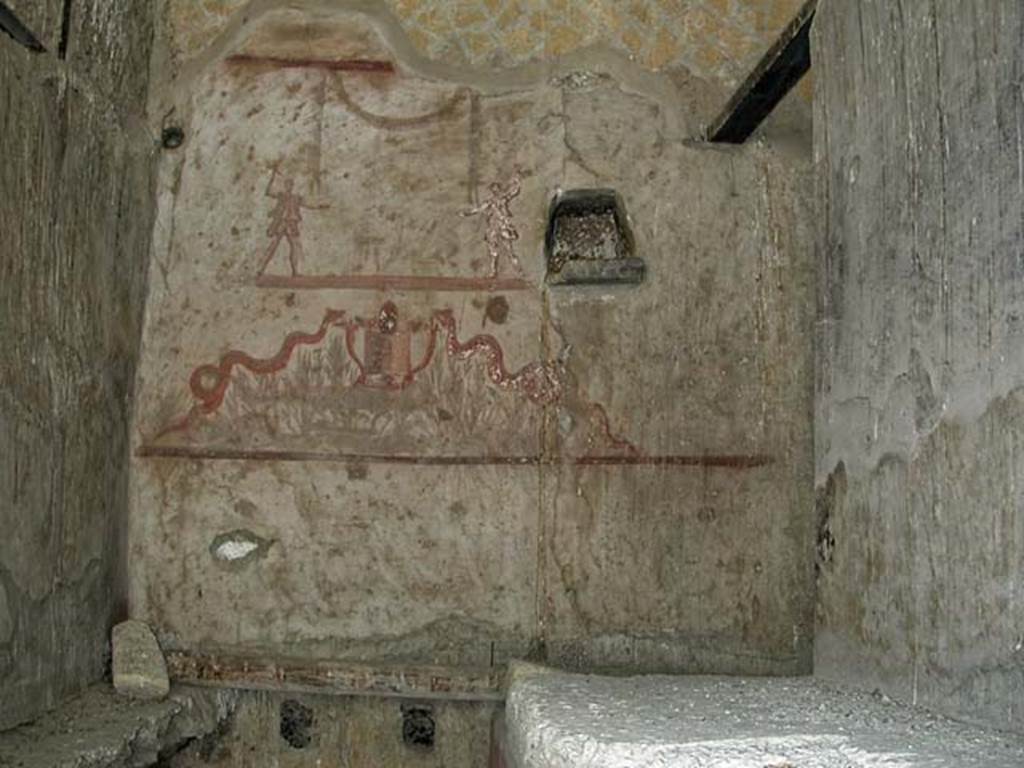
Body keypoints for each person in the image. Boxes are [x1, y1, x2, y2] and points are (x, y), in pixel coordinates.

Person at [257, 165, 329, 276]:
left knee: (294, 247)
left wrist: (320, 206)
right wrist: (272, 176)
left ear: (292, 186)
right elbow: (268, 191)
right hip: (281, 223)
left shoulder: (296, 198)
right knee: (273, 246)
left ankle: (295, 272)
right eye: (287, 184)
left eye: (290, 185)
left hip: (291, 224)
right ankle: (260, 269)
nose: (288, 187)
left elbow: (308, 204)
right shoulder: (281, 196)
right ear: (285, 186)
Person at [462, 170, 523, 278]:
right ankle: (493, 271)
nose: (495, 191)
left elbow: (514, 191)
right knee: (493, 250)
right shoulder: (490, 202)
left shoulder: (504, 199)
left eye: (497, 189)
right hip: (493, 227)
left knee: (509, 249)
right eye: (493, 190)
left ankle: (519, 271)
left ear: (499, 190)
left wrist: (517, 181)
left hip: (503, 226)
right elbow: (479, 209)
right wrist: (467, 213)